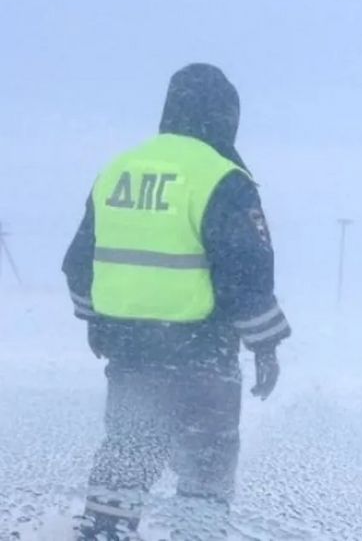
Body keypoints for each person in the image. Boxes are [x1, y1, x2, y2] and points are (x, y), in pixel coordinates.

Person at [62, 64, 292, 540]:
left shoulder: (118, 170)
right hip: (201, 353)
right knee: (205, 465)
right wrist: (265, 344)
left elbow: (79, 263)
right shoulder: (222, 177)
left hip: (127, 350)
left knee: (125, 453)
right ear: (226, 116)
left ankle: (103, 533)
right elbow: (245, 273)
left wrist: (93, 320)